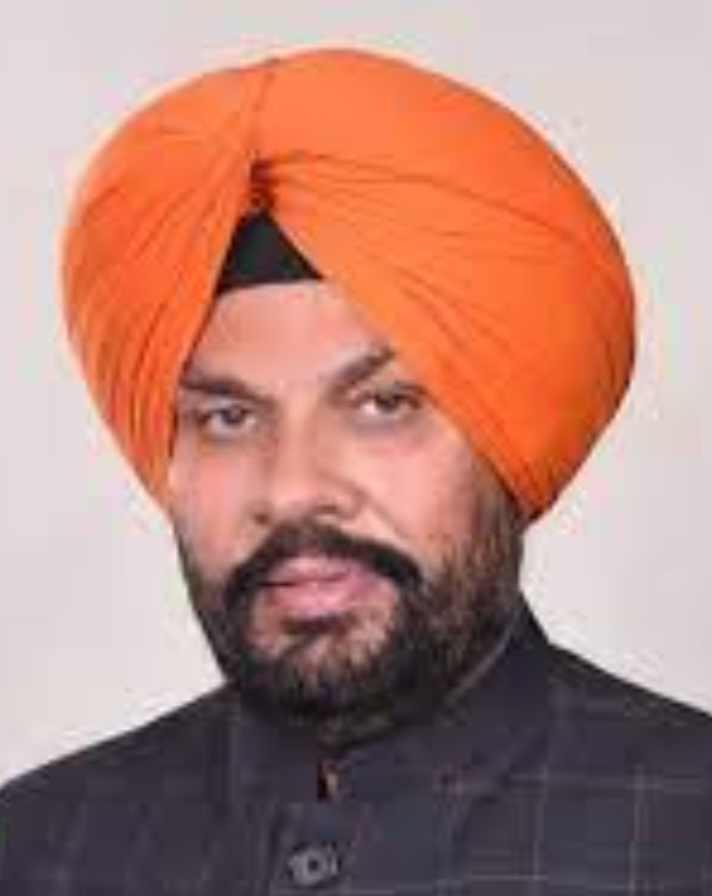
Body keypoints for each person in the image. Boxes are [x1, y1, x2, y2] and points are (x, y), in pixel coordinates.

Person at [2, 46, 711, 895]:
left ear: (508, 434)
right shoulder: (40, 849)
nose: (293, 488)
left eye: (382, 405)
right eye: (228, 418)